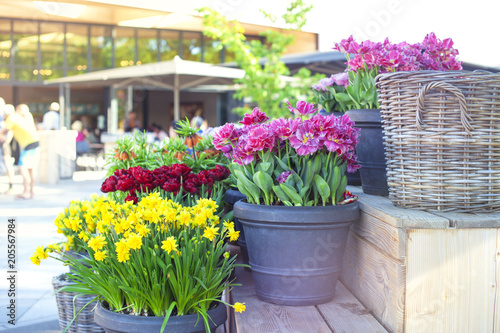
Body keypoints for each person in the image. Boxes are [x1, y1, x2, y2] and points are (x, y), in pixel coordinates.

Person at [0, 104, 39, 199]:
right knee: (31, 169)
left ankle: (26, 192)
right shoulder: (20, 117)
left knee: (23, 168)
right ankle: (31, 192)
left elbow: (3, 132)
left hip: (29, 144)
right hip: (35, 141)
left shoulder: (11, 118)